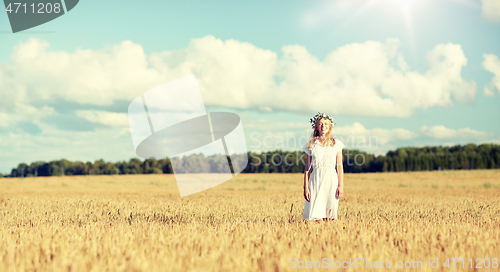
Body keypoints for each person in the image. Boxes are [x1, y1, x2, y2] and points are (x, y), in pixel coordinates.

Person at [302, 112, 344, 223]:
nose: (323, 126)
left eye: (325, 124)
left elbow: (339, 167)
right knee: (318, 215)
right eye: (320, 124)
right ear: (316, 126)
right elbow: (307, 169)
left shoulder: (336, 144)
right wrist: (306, 187)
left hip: (331, 179)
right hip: (316, 179)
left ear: (330, 126)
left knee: (331, 215)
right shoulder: (311, 144)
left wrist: (341, 185)